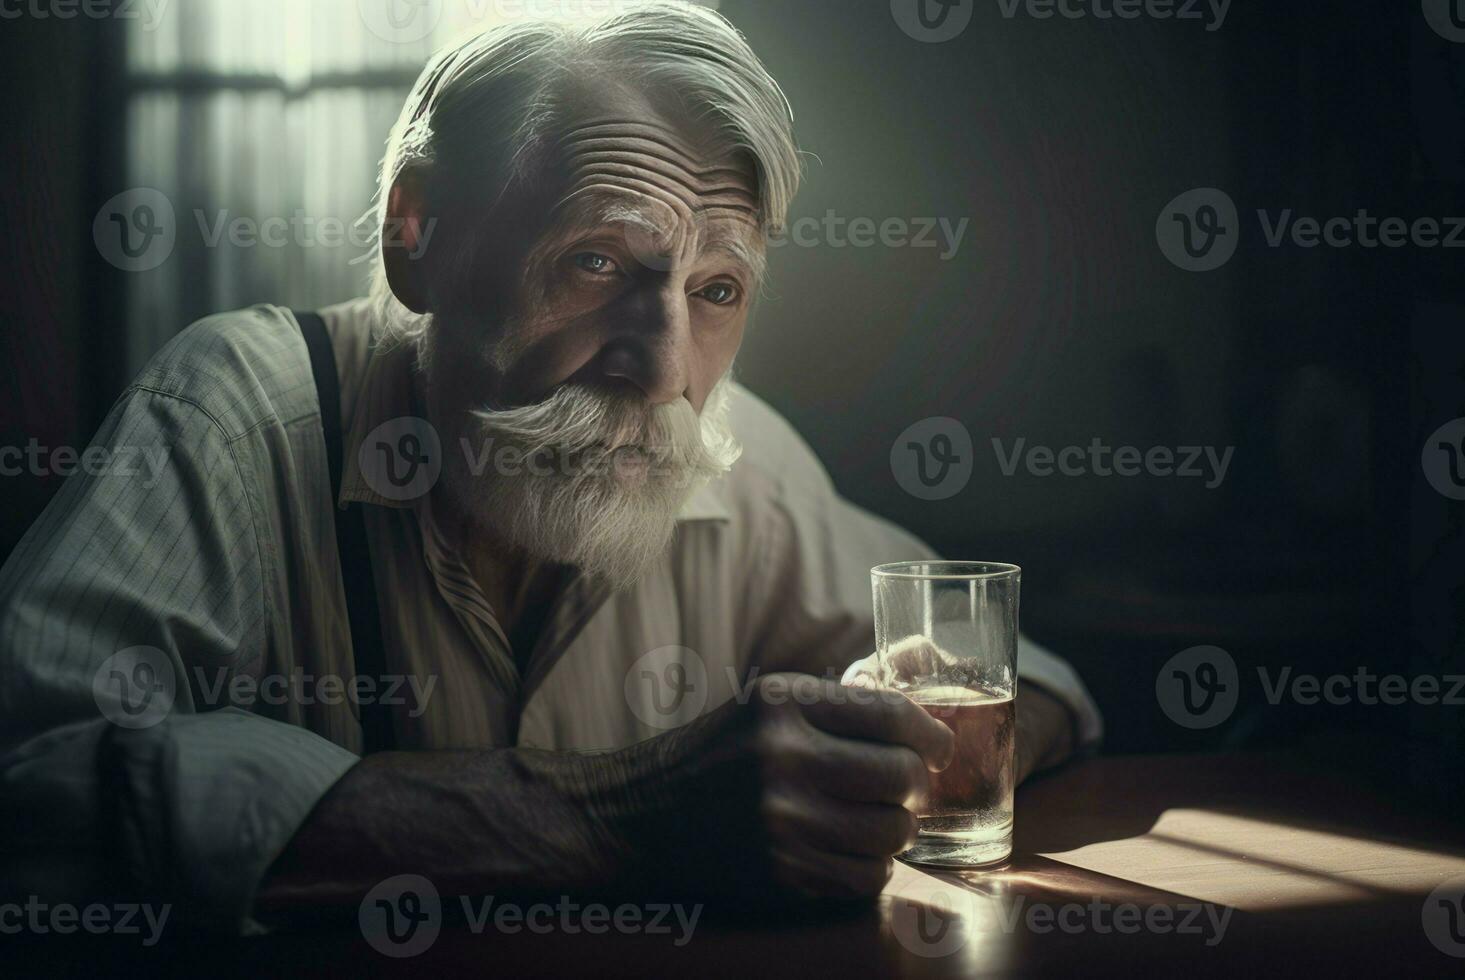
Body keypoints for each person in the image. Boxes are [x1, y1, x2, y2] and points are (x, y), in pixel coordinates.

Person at [0, 2, 1100, 934]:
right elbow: (28, 795)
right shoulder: (233, 416)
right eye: (596, 261)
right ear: (416, 237)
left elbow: (1035, 680)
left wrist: (883, 750)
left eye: (717, 290)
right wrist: (602, 816)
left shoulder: (731, 454)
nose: (664, 369)